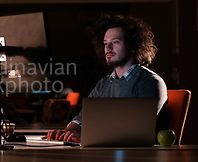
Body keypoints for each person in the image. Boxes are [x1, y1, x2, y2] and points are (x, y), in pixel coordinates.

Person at [44, 14, 167, 143]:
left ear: (132, 45)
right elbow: (82, 118)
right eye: (105, 43)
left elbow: (137, 129)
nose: (108, 48)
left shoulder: (150, 82)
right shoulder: (103, 84)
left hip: (136, 157)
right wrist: (69, 132)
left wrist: (88, 137)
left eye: (115, 42)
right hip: (107, 153)